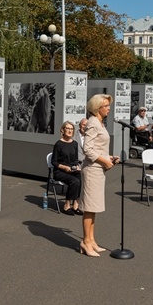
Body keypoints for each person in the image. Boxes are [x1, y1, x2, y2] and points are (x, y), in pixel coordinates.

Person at [80, 94, 119, 258]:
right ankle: (85, 241)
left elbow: (97, 147)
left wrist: (109, 158)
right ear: (97, 108)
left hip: (99, 168)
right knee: (89, 207)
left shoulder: (100, 123)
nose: (109, 108)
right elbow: (87, 149)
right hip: (92, 170)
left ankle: (92, 239)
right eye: (106, 106)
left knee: (94, 207)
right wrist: (104, 160)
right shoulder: (93, 123)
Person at [51, 122, 82, 216]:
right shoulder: (58, 144)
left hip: (71, 169)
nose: (70, 131)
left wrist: (76, 166)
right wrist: (64, 167)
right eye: (67, 128)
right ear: (63, 130)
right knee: (75, 181)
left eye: (71, 129)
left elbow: (75, 159)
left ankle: (75, 206)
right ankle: (67, 205)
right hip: (60, 171)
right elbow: (54, 161)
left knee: (81, 178)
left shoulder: (75, 144)